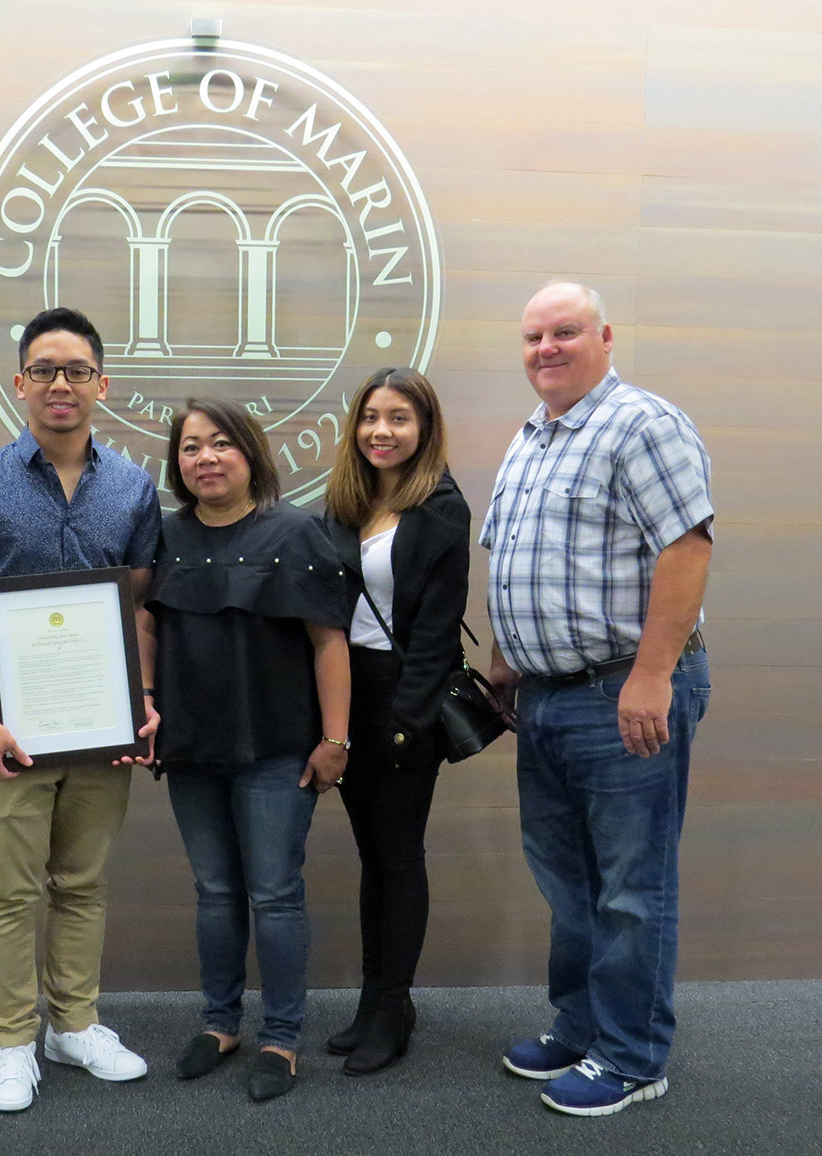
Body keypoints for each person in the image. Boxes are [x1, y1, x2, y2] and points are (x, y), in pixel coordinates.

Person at [481, 282, 713, 1117]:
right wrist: (506, 662)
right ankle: (580, 1027)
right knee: (569, 883)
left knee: (630, 887)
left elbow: (686, 549)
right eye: (534, 334)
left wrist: (651, 677)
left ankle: (632, 1055)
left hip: (625, 692)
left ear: (605, 337)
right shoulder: (531, 439)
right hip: (546, 699)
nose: (547, 347)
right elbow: (512, 558)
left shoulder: (644, 425)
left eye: (565, 332)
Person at [0, 307, 160, 1111]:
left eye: (78, 370)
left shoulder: (132, 486)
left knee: (84, 882)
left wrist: (144, 702)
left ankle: (74, 1024)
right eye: (46, 370)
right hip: (7, 728)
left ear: (103, 384)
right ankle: (12, 1039)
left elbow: (137, 609)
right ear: (20, 382)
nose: (63, 384)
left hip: (100, 728)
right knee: (9, 890)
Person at [143, 398, 350, 1102]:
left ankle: (282, 1037)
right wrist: (141, 699)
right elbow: (145, 624)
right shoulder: (162, 536)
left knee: (276, 895)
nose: (205, 457)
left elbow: (329, 642)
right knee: (216, 892)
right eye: (192, 446)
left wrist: (335, 738)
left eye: (222, 443)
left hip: (276, 749)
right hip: (192, 747)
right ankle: (220, 1022)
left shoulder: (296, 530)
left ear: (251, 453)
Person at [323, 367, 471, 1076]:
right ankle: (376, 1002)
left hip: (407, 702)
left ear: (424, 428)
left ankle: (392, 1007)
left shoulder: (441, 507)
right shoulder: (346, 502)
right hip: (348, 696)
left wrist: (407, 728)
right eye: (371, 417)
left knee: (399, 856)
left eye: (399, 419)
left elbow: (438, 633)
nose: (382, 431)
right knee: (372, 857)